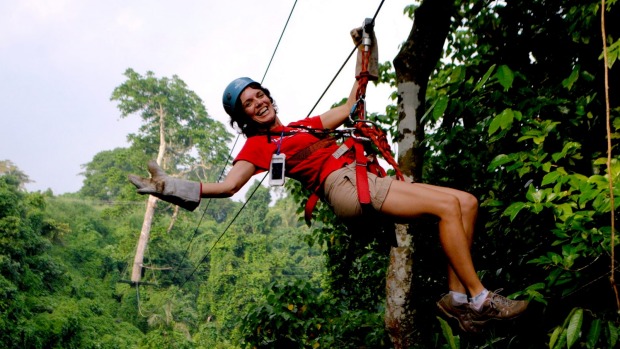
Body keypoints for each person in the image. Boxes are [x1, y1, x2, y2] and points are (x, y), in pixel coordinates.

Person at [128, 24, 528, 333]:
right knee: (446, 206)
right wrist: (171, 187)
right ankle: (479, 299)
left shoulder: (303, 126)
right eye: (248, 104)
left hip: (362, 177)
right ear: (244, 118)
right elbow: (229, 186)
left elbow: (354, 104)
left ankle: (457, 299)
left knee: (466, 202)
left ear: (268, 96)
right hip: (348, 187)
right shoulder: (258, 147)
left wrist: (363, 49)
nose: (258, 103)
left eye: (259, 95)